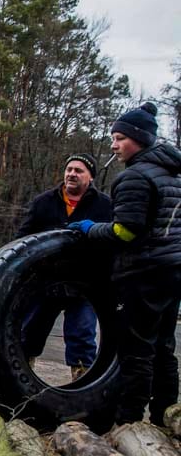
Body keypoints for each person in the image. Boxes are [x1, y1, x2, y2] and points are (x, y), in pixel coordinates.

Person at [69, 102, 181, 427]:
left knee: (135, 350)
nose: (114, 145)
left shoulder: (134, 177)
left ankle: (128, 421)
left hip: (143, 273)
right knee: (163, 347)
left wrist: (91, 229)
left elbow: (125, 231)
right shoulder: (172, 173)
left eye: (119, 138)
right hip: (172, 271)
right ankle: (163, 416)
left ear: (140, 138)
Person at [17, 154, 112, 378]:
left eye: (79, 171)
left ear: (90, 177)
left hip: (84, 287)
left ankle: (81, 389)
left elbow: (112, 244)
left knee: (82, 338)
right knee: (28, 335)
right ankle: (20, 383)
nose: (72, 174)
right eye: (69, 169)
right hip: (45, 284)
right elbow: (21, 240)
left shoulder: (105, 205)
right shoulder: (44, 202)